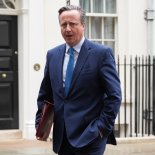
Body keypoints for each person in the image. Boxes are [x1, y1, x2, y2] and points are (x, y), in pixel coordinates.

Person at [35, 5, 122, 155]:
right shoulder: (52, 55)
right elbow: (46, 95)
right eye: (63, 24)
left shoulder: (101, 54)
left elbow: (114, 96)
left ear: (83, 25)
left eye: (73, 24)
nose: (67, 29)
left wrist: (101, 128)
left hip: (91, 136)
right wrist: (41, 124)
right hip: (62, 137)